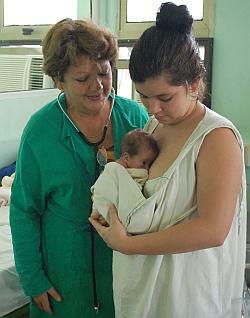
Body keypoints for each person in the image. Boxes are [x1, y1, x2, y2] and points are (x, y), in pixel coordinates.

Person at [89, 3, 247, 318]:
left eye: (164, 98)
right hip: (144, 290)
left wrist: (126, 244)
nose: (152, 109)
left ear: (194, 83)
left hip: (186, 297)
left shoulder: (215, 138)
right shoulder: (154, 127)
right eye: (143, 96)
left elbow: (213, 230)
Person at [9, 18, 148, 318]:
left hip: (128, 271)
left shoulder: (135, 118)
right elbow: (23, 210)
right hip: (64, 279)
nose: (97, 86)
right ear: (59, 80)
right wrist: (33, 280)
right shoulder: (41, 131)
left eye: (103, 72)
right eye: (82, 78)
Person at [91, 129, 159, 231]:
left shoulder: (129, 170)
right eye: (144, 163)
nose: (147, 169)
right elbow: (103, 189)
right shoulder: (113, 169)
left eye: (150, 164)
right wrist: (103, 209)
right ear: (126, 158)